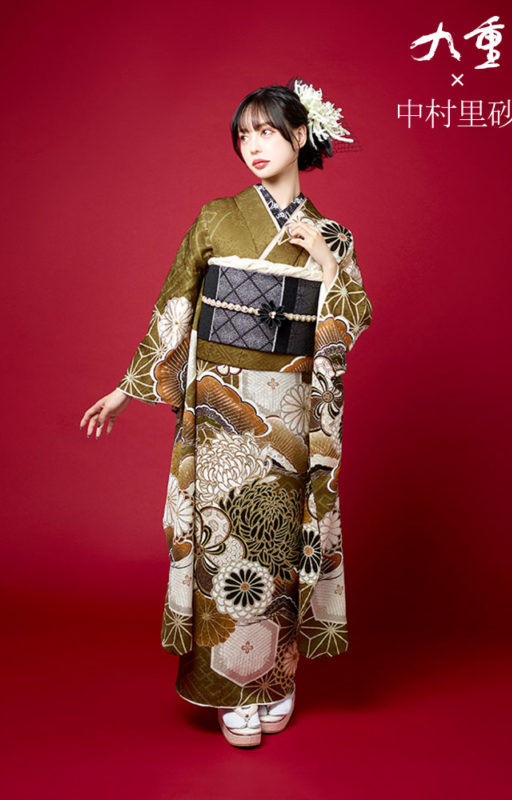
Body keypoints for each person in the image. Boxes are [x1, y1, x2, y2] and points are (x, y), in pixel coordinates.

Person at [80, 78, 373, 748]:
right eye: (244, 135)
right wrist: (128, 388)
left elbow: (352, 319)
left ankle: (277, 679)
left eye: (266, 131)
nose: (253, 146)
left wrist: (326, 260)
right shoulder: (216, 217)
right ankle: (227, 689)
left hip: (291, 407)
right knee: (226, 543)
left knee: (279, 544)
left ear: (301, 135)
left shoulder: (334, 233)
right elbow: (175, 303)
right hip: (221, 405)